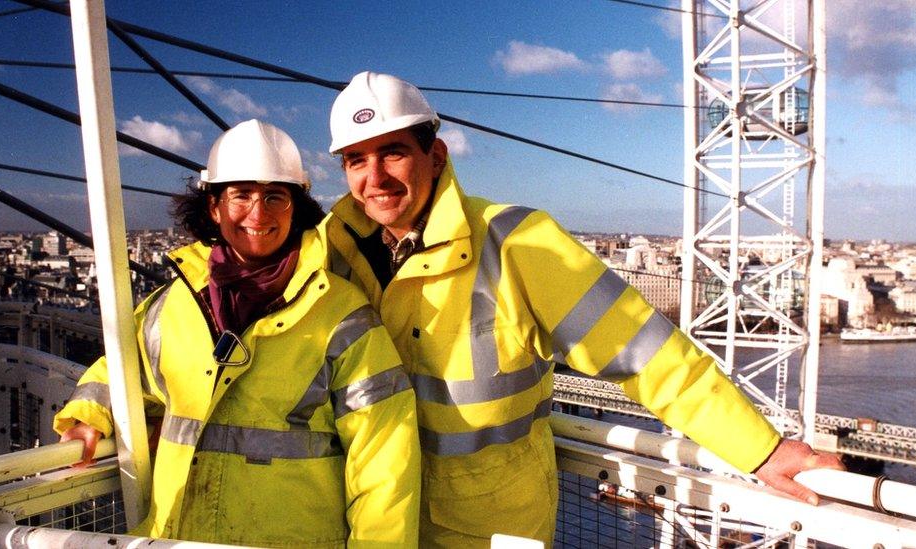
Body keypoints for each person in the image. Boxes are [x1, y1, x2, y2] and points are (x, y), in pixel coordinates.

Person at [322, 71, 843, 547]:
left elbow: (645, 354)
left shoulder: (516, 243)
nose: (376, 178)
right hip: (374, 526)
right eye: (356, 160)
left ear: (434, 156)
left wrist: (763, 451)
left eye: (392, 153)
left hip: (492, 530)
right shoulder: (331, 253)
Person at [55, 119, 421, 548]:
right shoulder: (172, 304)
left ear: (295, 208)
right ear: (213, 207)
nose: (258, 213)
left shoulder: (342, 315)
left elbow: (384, 461)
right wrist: (85, 416)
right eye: (240, 195)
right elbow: (120, 370)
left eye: (274, 197)